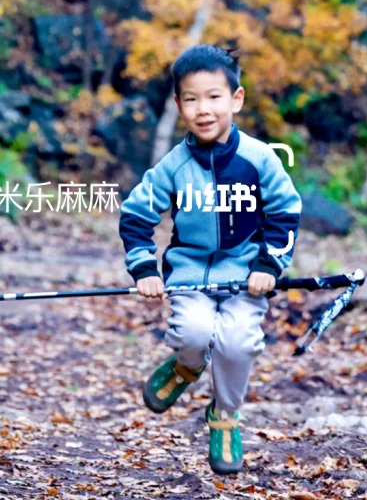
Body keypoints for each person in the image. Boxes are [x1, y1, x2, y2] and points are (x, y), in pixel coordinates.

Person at [118, 44, 301, 476]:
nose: (203, 109)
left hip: (245, 279)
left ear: (235, 99)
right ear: (179, 104)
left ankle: (225, 414)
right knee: (194, 333)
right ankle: (185, 367)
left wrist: (269, 266)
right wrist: (144, 268)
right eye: (192, 99)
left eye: (214, 97)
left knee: (237, 344)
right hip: (190, 277)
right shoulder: (174, 165)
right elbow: (136, 215)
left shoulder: (259, 159)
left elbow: (285, 213)